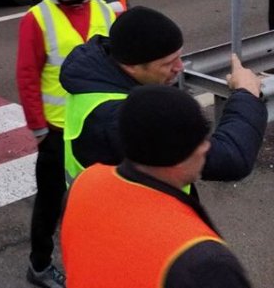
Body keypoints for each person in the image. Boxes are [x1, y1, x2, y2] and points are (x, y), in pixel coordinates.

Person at [61, 85, 253, 288]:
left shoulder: (84, 183)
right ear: (180, 157)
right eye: (201, 141)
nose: (207, 147)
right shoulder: (203, 261)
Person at [60, 6, 266, 185]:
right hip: (138, 216)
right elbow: (230, 159)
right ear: (132, 67)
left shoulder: (95, 79)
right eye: (168, 63)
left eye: (179, 57)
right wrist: (246, 94)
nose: (179, 67)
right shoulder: (123, 118)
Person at [15, 0, 116, 288]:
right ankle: (40, 265)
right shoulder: (37, 18)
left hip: (97, 126)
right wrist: (39, 129)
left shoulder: (105, 12)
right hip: (57, 131)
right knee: (50, 201)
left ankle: (95, 259)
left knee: (97, 199)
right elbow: (27, 76)